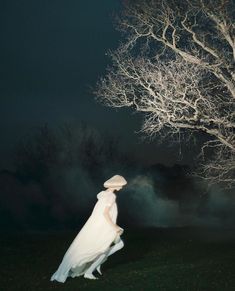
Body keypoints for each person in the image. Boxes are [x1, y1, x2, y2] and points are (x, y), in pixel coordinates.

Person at [50, 174, 127, 282]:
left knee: (109, 247)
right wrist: (114, 227)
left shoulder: (104, 194)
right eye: (121, 185)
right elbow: (105, 213)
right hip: (105, 226)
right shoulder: (111, 196)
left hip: (99, 224)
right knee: (109, 247)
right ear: (116, 184)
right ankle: (91, 270)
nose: (121, 187)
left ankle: (96, 265)